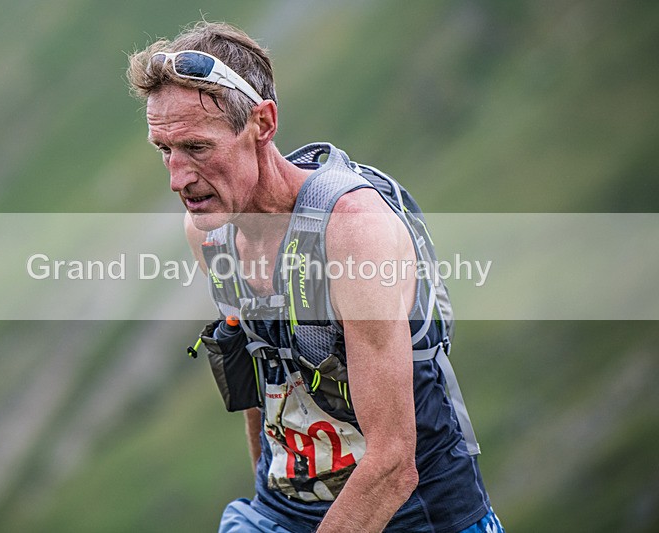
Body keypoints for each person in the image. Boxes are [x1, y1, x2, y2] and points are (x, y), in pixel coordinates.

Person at [127, 21, 504, 533]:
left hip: (416, 517)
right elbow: (258, 377)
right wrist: (266, 507)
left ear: (262, 123)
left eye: (196, 148)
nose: (177, 178)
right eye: (164, 150)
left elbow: (394, 462)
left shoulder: (353, 231)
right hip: (280, 512)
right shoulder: (209, 231)